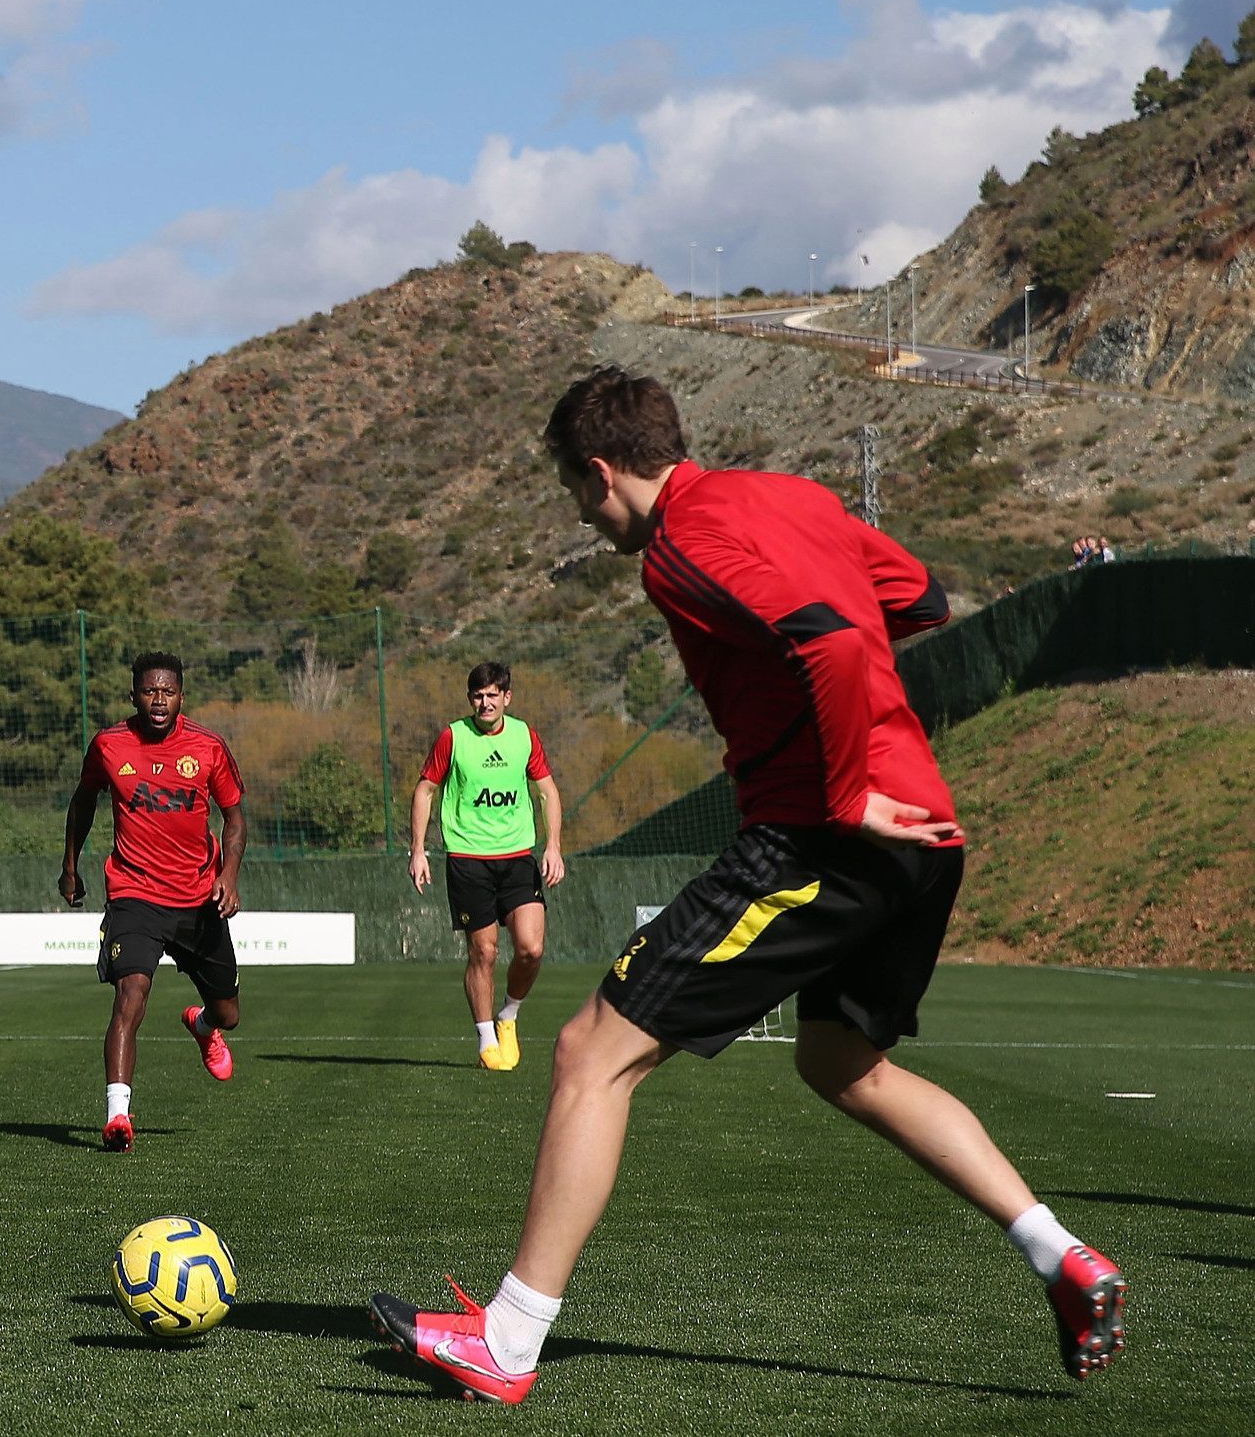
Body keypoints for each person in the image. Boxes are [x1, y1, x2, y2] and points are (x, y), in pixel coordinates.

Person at [371, 366, 1124, 1403]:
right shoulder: (794, 497)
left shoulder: (678, 547)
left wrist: (843, 790)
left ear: (602, 472)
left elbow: (831, 640)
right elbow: (918, 597)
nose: (583, 515)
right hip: (926, 827)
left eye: (576, 492)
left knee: (591, 1052)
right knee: (842, 1062)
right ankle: (1060, 1254)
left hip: (826, 836)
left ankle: (507, 1340)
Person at [59, 652, 247, 1151]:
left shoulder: (208, 747)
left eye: (168, 691)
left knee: (228, 1014)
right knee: (130, 996)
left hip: (198, 898)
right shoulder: (108, 745)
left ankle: (202, 1026)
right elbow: (83, 801)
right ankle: (117, 1117)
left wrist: (228, 875)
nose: (158, 700)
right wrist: (70, 866)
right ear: (134, 696)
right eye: (149, 691)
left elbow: (235, 817)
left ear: (181, 696)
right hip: (134, 894)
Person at [406, 662, 565, 1069]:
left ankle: (507, 1016)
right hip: (468, 859)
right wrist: (418, 849)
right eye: (478, 696)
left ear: (507, 697)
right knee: (485, 952)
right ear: (470, 699)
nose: (485, 703)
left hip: (517, 858)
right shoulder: (453, 737)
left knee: (531, 948)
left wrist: (553, 846)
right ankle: (486, 1039)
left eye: (493, 695)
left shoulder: (524, 735)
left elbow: (547, 791)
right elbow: (425, 789)